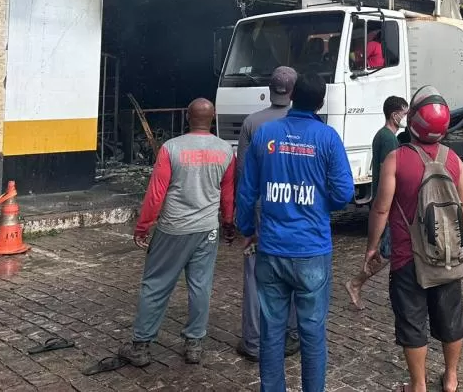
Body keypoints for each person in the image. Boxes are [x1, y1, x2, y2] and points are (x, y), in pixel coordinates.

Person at [237, 72, 355, 392]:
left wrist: (247, 228)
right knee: (312, 332)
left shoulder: (265, 134)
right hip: (312, 250)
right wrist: (319, 204)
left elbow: (246, 190)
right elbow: (344, 193)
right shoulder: (328, 138)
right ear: (320, 102)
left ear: (291, 97)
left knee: (271, 330)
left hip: (272, 248)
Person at [365, 86, 463, 392]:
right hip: (448, 256)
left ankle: (417, 385)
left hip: (408, 257)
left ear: (412, 121)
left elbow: (381, 208)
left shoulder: (396, 159)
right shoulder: (455, 161)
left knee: (412, 322)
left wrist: (372, 247)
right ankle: (451, 379)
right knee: (452, 318)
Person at [118, 98, 235, 368]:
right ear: (213, 118)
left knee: (156, 285)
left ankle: (141, 346)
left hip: (173, 229)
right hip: (207, 230)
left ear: (186, 117)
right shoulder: (225, 151)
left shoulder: (171, 148)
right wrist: (228, 223)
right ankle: (194, 343)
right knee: (200, 286)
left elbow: (156, 193)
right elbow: (228, 194)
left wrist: (144, 225)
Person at [236, 67, 300, 362]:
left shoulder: (252, 122)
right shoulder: (303, 122)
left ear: (270, 88)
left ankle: (253, 341)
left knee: (254, 272)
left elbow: (243, 173)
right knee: (292, 267)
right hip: (296, 202)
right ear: (293, 91)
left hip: (263, 203)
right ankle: (288, 334)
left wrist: (242, 217)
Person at [345, 95, 409, 310]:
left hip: (384, 200)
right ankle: (356, 283)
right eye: (404, 113)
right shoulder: (389, 139)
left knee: (393, 249)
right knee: (387, 251)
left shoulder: (381, 135)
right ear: (395, 114)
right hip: (388, 203)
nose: (405, 118)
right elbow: (390, 173)